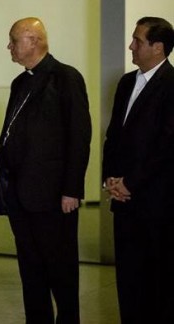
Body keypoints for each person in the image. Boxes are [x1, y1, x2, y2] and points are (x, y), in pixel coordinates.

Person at [0, 17, 91, 323]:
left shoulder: (65, 78)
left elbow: (79, 137)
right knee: (31, 271)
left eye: (13, 40)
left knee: (60, 271)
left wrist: (72, 190)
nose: (8, 46)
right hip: (21, 196)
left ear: (34, 41)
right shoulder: (20, 82)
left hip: (53, 197)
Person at [102, 16, 174, 323]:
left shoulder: (171, 86)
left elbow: (167, 147)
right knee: (128, 279)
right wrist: (111, 179)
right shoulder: (126, 82)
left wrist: (132, 182)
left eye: (138, 41)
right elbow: (114, 136)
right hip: (124, 201)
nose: (131, 45)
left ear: (158, 48)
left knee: (157, 282)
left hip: (156, 204)